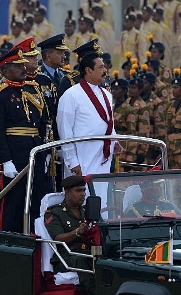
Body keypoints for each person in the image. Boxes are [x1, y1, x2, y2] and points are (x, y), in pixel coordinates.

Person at [0, 46, 48, 233]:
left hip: (35, 150)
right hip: (14, 153)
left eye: (23, 65)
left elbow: (43, 123)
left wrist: (45, 151)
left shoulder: (33, 89)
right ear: (5, 70)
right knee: (14, 198)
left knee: (37, 196)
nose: (23, 69)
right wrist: (5, 160)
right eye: (17, 66)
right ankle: (10, 237)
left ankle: (35, 235)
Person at [57, 52, 122, 211]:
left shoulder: (106, 94)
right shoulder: (72, 95)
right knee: (81, 197)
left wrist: (114, 142)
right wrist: (72, 160)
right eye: (100, 67)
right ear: (88, 70)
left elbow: (108, 123)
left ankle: (100, 231)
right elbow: (64, 130)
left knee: (101, 197)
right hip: (82, 156)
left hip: (102, 155)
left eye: (104, 67)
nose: (105, 70)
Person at [44, 175, 95, 295]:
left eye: (84, 190)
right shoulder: (54, 212)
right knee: (82, 261)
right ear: (67, 193)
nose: (82, 194)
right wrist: (77, 232)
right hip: (66, 256)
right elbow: (58, 238)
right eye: (78, 191)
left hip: (86, 251)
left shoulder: (87, 210)